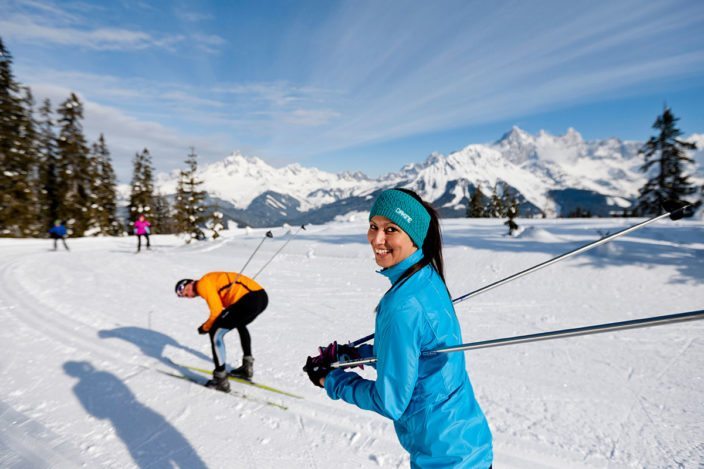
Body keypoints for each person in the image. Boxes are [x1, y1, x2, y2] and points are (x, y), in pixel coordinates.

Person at [304, 188, 493, 468]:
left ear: (414, 236)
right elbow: (415, 353)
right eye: (373, 226)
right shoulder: (426, 277)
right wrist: (355, 355)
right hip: (467, 442)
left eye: (391, 229)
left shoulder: (403, 304)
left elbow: (390, 402)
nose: (377, 239)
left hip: (443, 458)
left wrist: (331, 381)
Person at [174, 272, 268, 392]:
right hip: (261, 298)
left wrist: (205, 327)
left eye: (185, 289)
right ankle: (246, 368)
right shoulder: (209, 282)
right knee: (240, 324)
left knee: (215, 331)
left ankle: (220, 379)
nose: (187, 294)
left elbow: (216, 312)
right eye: (184, 295)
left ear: (191, 282)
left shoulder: (202, 284)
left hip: (249, 299)